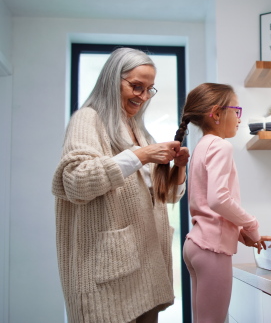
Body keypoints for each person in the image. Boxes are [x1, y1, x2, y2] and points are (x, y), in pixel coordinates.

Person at [52, 47, 190, 323]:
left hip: (143, 268)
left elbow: (165, 197)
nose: (142, 96)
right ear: (111, 80)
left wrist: (178, 168)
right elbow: (76, 180)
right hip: (108, 274)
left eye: (149, 89)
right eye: (136, 86)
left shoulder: (136, 129)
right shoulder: (88, 119)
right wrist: (142, 155)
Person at [154, 83, 271, 323]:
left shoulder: (202, 146)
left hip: (196, 245)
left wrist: (240, 232)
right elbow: (219, 199)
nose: (239, 119)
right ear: (217, 114)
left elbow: (208, 205)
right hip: (212, 249)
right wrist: (251, 224)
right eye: (236, 111)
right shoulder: (221, 146)